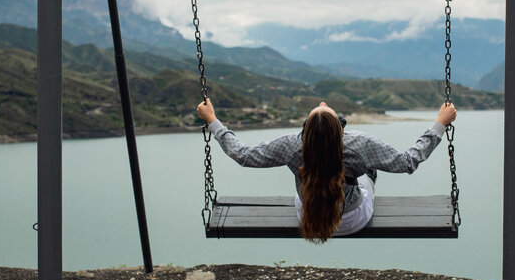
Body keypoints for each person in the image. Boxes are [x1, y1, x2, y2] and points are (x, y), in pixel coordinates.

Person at [196, 98, 457, 242]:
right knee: (367, 174)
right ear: (342, 131)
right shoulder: (359, 143)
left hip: (307, 217)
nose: (322, 103)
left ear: (305, 132)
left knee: (309, 176)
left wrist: (213, 121)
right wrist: (439, 124)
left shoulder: (290, 145)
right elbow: (407, 162)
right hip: (354, 219)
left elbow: (243, 155)